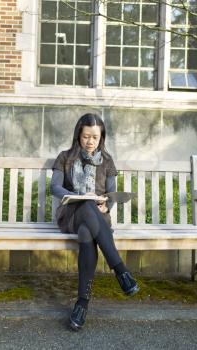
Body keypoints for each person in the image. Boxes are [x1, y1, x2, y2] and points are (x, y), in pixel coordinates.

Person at [51, 113, 139, 331]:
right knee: (86, 204)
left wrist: (108, 204)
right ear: (78, 135)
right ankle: (120, 270)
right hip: (71, 212)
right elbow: (55, 187)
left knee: (86, 233)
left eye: (95, 137)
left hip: (96, 217)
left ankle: (82, 304)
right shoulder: (65, 157)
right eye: (85, 136)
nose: (90, 141)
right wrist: (76, 196)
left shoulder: (107, 161)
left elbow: (111, 194)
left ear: (101, 138)